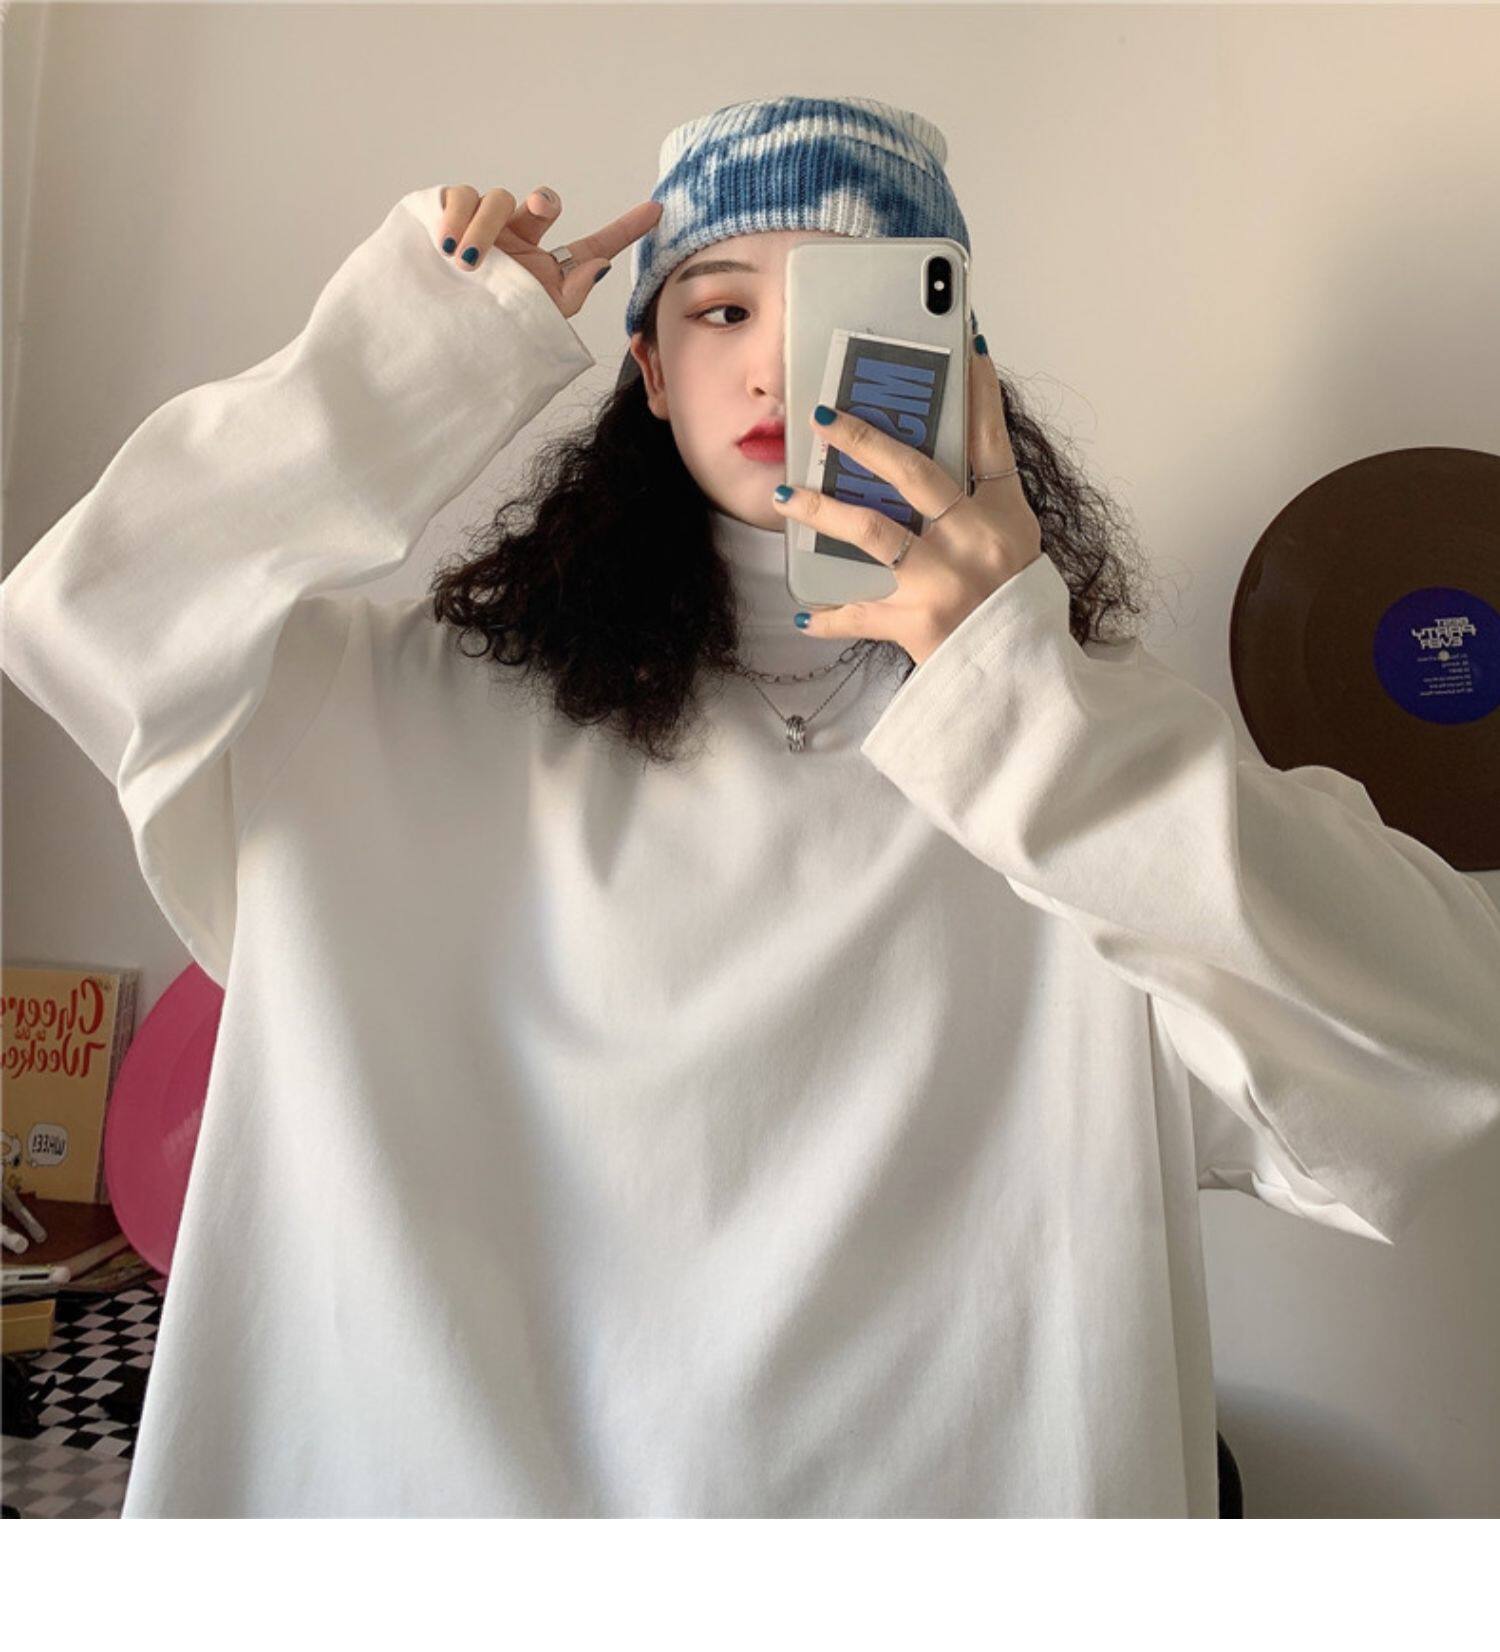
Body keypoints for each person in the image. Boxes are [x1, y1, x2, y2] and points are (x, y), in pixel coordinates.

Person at [2, 95, 1497, 1519]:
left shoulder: (1072, 755)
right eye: (720, 311)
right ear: (649, 372)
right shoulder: (397, 710)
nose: (779, 366)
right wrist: (406, 365)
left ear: (959, 367)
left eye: (852, 308)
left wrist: (1029, 705)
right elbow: (90, 623)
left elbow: (1437, 1037)